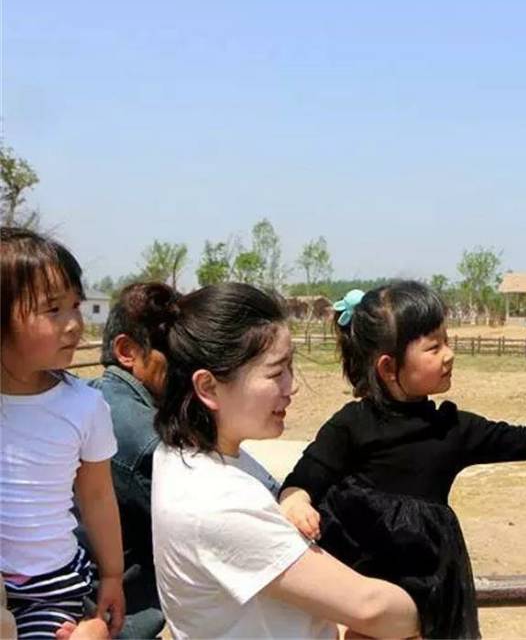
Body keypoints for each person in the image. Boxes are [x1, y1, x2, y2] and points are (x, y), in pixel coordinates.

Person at [279, 281, 526, 638]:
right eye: (433, 347)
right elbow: (304, 478)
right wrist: (296, 501)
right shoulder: (351, 425)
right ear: (387, 367)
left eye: (447, 341)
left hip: (429, 598)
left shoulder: (452, 428)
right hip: (362, 599)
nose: (449, 354)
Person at [151, 282, 419, 639]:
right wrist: (439, 605)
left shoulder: (188, 456)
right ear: (209, 388)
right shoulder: (217, 502)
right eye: (277, 372)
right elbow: (369, 607)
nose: (291, 386)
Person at [1, 227, 125, 638]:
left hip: (50, 588)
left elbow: (97, 495)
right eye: (53, 309)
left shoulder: (83, 406)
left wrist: (111, 575)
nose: (74, 324)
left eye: (76, 305)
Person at [84, 282, 179, 638]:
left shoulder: (93, 396)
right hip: (114, 621)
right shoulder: (145, 437)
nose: (187, 368)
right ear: (127, 351)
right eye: (175, 354)